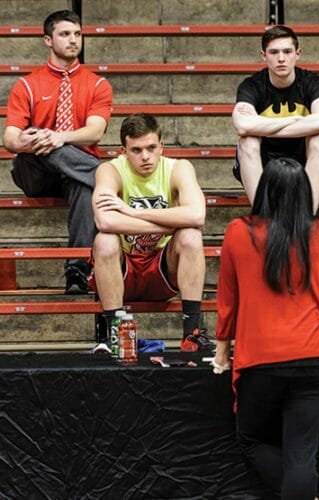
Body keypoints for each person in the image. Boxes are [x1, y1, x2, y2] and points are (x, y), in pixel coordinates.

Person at [213, 157, 319, 498]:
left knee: (252, 439)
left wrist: (221, 352)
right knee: (302, 454)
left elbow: (228, 300)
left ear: (264, 192)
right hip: (316, 353)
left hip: (261, 357)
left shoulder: (238, 232)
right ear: (304, 192)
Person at [3, 10, 113, 294]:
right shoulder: (27, 84)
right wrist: (37, 139)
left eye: (77, 34)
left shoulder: (98, 85)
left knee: (83, 186)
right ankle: (109, 177)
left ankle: (76, 270)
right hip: (36, 171)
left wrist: (58, 137)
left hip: (76, 172)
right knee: (41, 146)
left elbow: (95, 132)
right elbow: (11, 139)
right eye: (65, 34)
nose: (73, 40)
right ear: (47, 40)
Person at [89, 113, 211, 352]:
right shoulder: (109, 170)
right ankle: (115, 336)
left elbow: (197, 216)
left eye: (151, 148)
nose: (145, 156)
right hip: (123, 269)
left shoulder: (179, 169)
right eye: (136, 150)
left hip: (163, 269)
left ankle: (192, 335)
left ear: (161, 146)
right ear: (123, 151)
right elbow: (104, 221)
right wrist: (170, 222)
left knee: (191, 236)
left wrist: (131, 212)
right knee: (104, 241)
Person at [232, 25, 319, 209]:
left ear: (298, 53)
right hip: (264, 159)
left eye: (287, 51)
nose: (281, 58)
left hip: (302, 158)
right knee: (247, 141)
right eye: (274, 52)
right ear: (264, 55)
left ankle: (306, 215)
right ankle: (261, 216)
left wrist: (263, 125)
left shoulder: (313, 83)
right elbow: (243, 126)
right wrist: (295, 121)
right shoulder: (251, 86)